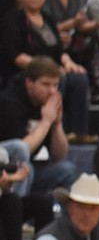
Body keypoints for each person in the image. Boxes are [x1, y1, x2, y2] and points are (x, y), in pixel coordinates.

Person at [0, 0, 90, 138]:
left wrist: (68, 62)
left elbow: (59, 50)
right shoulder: (13, 19)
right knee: (57, 80)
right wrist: (46, 68)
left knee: (79, 78)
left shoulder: (48, 19)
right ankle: (53, 128)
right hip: (25, 73)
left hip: (52, 68)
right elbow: (15, 56)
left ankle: (78, 133)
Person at [0, 57, 81, 225]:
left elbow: (60, 154)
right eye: (45, 84)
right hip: (6, 169)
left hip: (30, 172)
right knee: (24, 161)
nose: (52, 91)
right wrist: (46, 122)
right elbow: (20, 151)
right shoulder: (10, 102)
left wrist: (56, 123)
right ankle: (15, 218)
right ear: (29, 83)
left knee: (67, 169)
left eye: (55, 85)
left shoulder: (48, 104)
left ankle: (65, 224)